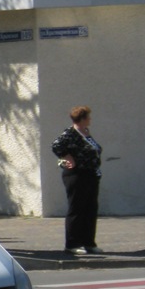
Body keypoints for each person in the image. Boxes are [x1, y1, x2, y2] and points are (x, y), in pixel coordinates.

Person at [51, 105, 103, 255]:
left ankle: (89, 242)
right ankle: (72, 244)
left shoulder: (86, 132)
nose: (90, 119)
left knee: (90, 208)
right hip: (76, 175)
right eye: (88, 117)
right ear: (82, 118)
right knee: (77, 209)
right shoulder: (71, 133)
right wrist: (66, 156)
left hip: (91, 174)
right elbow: (56, 145)